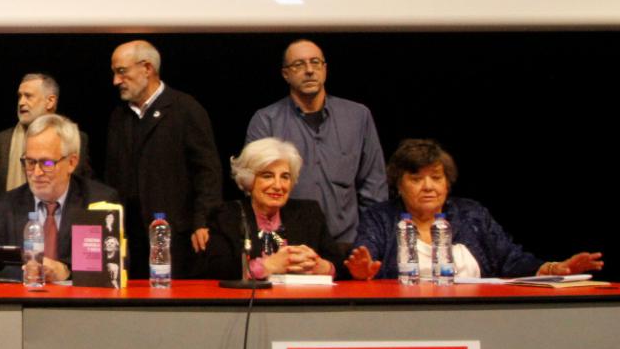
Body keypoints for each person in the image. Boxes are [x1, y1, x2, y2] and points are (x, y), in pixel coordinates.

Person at [345, 139, 603, 280]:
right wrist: (361, 272)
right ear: (398, 185)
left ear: (448, 182)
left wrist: (553, 269)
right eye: (416, 179)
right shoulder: (379, 218)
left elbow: (512, 261)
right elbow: (366, 262)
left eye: (436, 177)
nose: (428, 187)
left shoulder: (471, 214)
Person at [246, 39, 387, 246]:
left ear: (325, 69)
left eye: (315, 62)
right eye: (299, 65)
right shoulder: (267, 120)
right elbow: (255, 186)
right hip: (288, 244)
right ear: (286, 74)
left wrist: (371, 242)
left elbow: (374, 186)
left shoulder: (358, 117)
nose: (309, 70)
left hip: (347, 244)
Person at [104, 40, 224, 279]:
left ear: (147, 68)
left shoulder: (185, 109)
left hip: (175, 239)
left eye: (122, 71)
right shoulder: (119, 117)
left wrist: (202, 220)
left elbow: (207, 172)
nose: (116, 81)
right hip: (130, 240)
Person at [0, 114, 119, 282]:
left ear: (72, 162)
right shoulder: (0, 210)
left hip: (79, 305)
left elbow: (113, 266)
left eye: (47, 164)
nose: (36, 173)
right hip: (19, 303)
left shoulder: (98, 202)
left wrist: (66, 272)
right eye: (30, 162)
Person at [0, 73, 92, 227]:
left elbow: (84, 187)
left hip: (60, 227)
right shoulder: (2, 141)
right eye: (19, 96)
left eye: (28, 96)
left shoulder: (75, 138)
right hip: (13, 227)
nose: (21, 102)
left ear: (50, 101)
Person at [204, 137, 341, 281]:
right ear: (249, 179)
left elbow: (340, 264)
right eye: (268, 176)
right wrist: (266, 266)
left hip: (301, 301)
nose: (278, 185)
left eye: (285, 177)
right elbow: (216, 270)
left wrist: (324, 267)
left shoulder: (309, 213)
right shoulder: (226, 215)